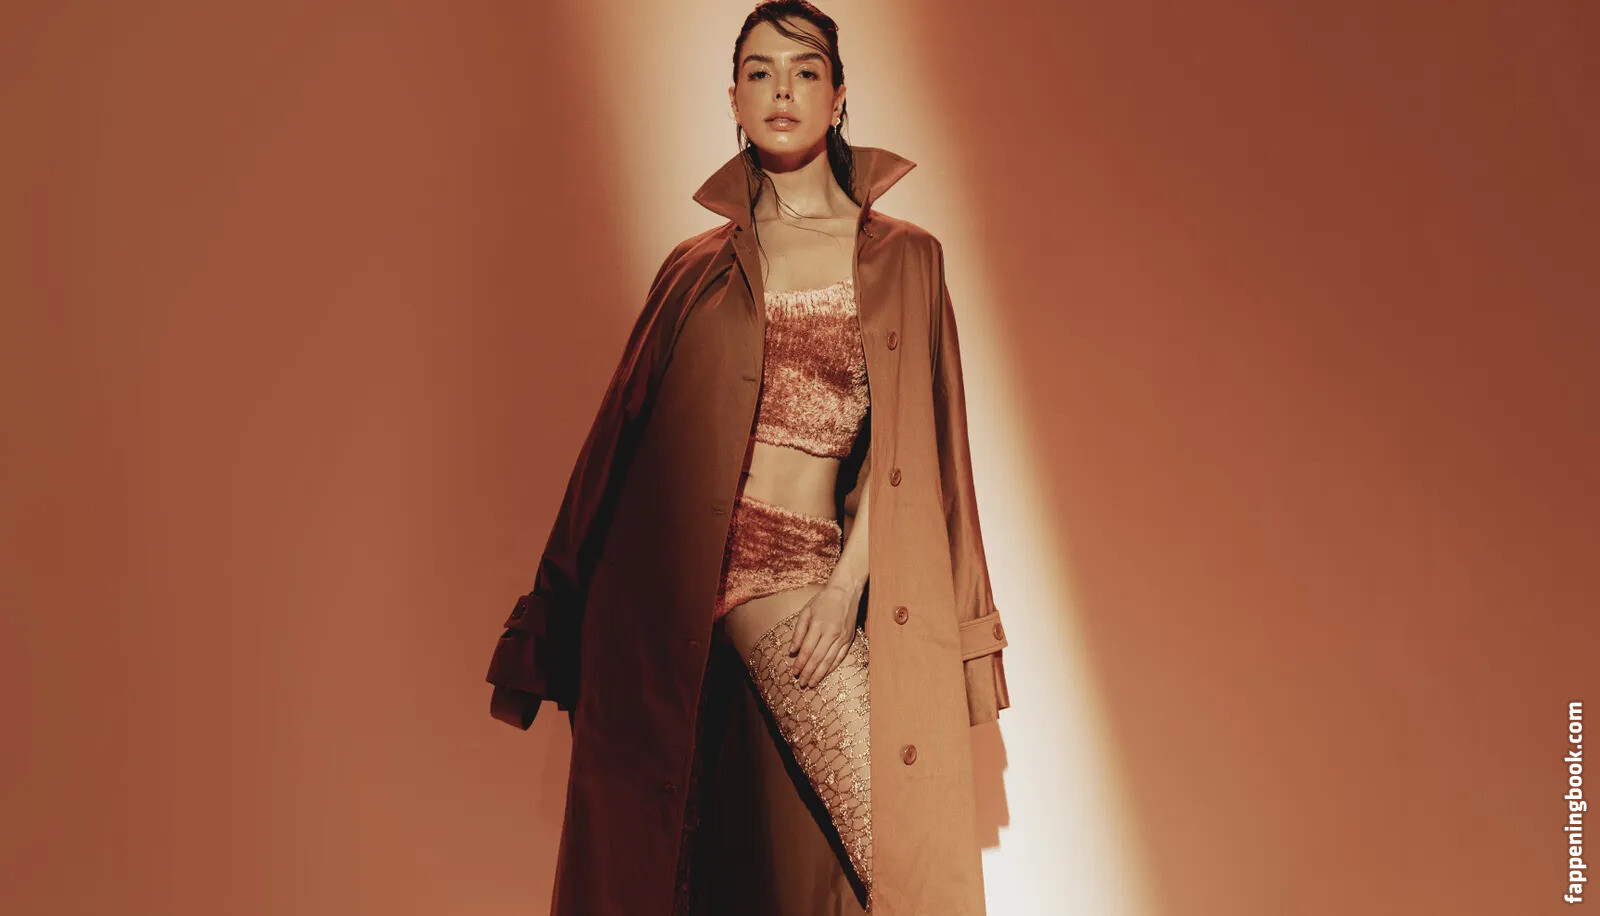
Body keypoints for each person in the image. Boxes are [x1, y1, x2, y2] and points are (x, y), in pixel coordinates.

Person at [486, 3, 1011, 913]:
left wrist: (844, 588)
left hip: (814, 573)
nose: (782, 90)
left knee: (873, 857)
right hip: (708, 577)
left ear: (838, 97)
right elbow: (612, 450)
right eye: (759, 72)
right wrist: (549, 618)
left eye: (805, 71)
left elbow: (919, 454)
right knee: (705, 865)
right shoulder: (695, 269)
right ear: (732, 98)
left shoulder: (906, 261)